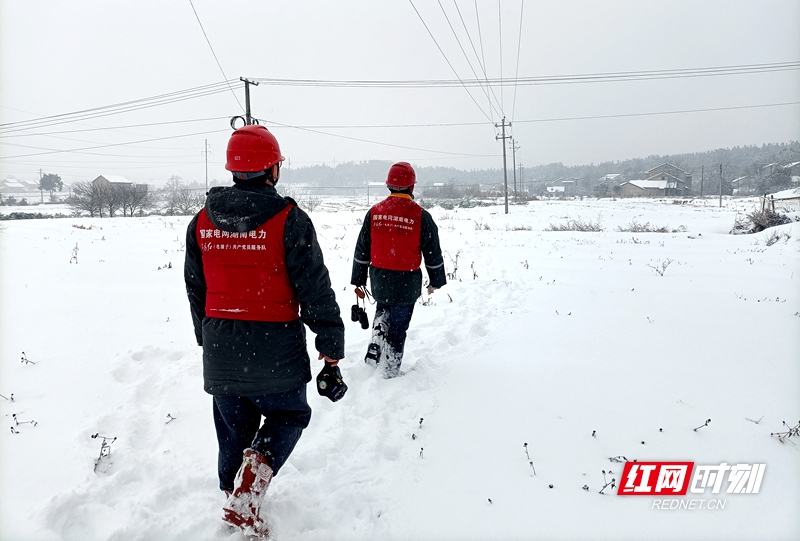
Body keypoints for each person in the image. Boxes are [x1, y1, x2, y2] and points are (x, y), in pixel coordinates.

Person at [184, 125, 344, 538]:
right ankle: (249, 489)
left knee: (232, 428)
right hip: (275, 348)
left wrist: (209, 339)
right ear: (272, 169)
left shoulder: (201, 222)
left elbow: (195, 287)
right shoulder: (290, 220)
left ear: (233, 169)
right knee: (289, 414)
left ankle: (233, 494)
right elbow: (315, 289)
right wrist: (331, 349)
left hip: (221, 348)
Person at [350, 162, 446, 377]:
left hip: (380, 277)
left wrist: (358, 278)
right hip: (407, 280)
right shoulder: (421, 216)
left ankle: (377, 335)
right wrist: (436, 281)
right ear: (412, 186)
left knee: (383, 308)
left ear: (388, 185)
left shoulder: (374, 212)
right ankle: (391, 369)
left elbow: (362, 248)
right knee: (399, 327)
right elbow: (433, 253)